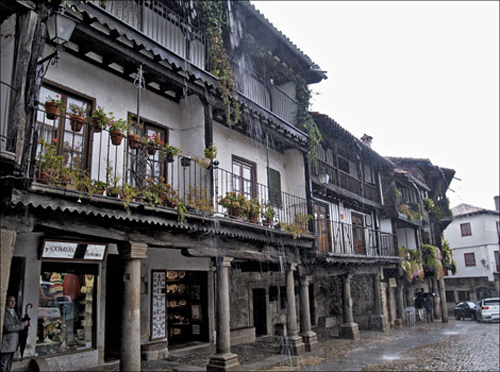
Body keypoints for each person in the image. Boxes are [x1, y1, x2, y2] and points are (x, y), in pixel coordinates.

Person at [1, 296, 29, 372]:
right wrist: (22, 325)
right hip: (7, 344)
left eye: (14, 301)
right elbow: (8, 328)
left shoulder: (13, 312)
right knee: (3, 365)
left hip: (13, 344)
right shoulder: (5, 313)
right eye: (11, 301)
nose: (13, 303)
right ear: (7, 302)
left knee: (8, 365)